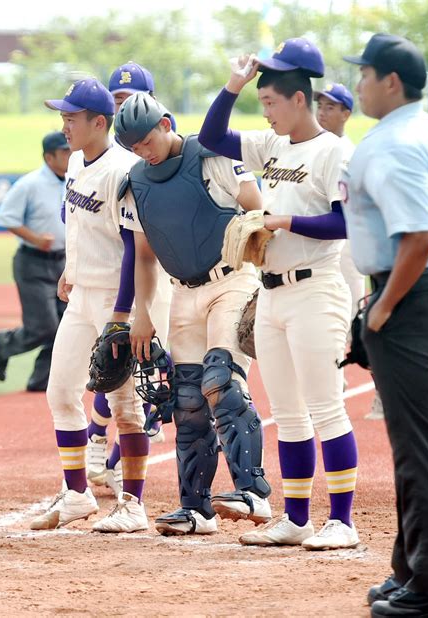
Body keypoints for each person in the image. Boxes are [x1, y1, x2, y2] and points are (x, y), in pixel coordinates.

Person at [199, 38, 360, 550]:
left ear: (298, 99)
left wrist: (283, 220)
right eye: (261, 103)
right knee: (287, 412)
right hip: (270, 296)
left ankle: (342, 520)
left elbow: (343, 222)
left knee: (326, 406)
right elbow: (211, 135)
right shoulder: (271, 146)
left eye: (269, 102)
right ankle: (296, 518)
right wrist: (235, 85)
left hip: (316, 290)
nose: (264, 112)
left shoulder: (335, 150)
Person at [342, 34, 428, 617]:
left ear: (392, 81)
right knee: (424, 448)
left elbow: (418, 237)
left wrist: (381, 309)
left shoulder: (391, 143)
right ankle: (413, 569)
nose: (358, 84)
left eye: (365, 74)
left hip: (411, 303)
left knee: (421, 454)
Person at [114, 91, 272, 537]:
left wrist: (263, 257)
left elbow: (255, 205)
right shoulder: (136, 182)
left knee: (219, 381)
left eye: (146, 140)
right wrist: (142, 313)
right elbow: (144, 258)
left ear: (165, 124)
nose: (143, 151)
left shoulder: (212, 156)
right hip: (182, 292)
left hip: (231, 279)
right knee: (186, 401)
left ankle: (253, 492)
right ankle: (197, 510)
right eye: (133, 147)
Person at [29, 78, 150, 533]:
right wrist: (68, 268)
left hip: (114, 300)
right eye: (62, 117)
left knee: (125, 405)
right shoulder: (78, 160)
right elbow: (79, 227)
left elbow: (136, 249)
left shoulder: (124, 171)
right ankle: (78, 494)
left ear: (99, 122)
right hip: (80, 294)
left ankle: (133, 504)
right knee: (61, 392)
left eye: (71, 118)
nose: (64, 126)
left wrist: (123, 315)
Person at [86, 61, 173, 497]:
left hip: (169, 277)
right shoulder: (110, 157)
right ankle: (98, 441)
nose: (119, 106)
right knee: (113, 366)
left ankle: (116, 457)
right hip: (120, 272)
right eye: (114, 99)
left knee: (154, 375)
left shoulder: (158, 147)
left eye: (126, 99)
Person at [315, 84, 384, 421]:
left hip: (350, 251)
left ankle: (382, 390)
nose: (323, 111)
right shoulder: (310, 148)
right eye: (320, 105)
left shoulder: (352, 153)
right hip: (320, 252)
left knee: (357, 326)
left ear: (346, 113)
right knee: (321, 327)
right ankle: (334, 387)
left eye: (331, 106)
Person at [0, 132, 70, 392]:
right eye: (64, 152)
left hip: (63, 262)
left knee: (66, 326)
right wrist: (36, 239)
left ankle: (41, 381)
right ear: (49, 157)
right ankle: (2, 344)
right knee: (44, 327)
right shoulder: (30, 183)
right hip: (33, 262)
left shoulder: (75, 179)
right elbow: (7, 217)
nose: (70, 155)